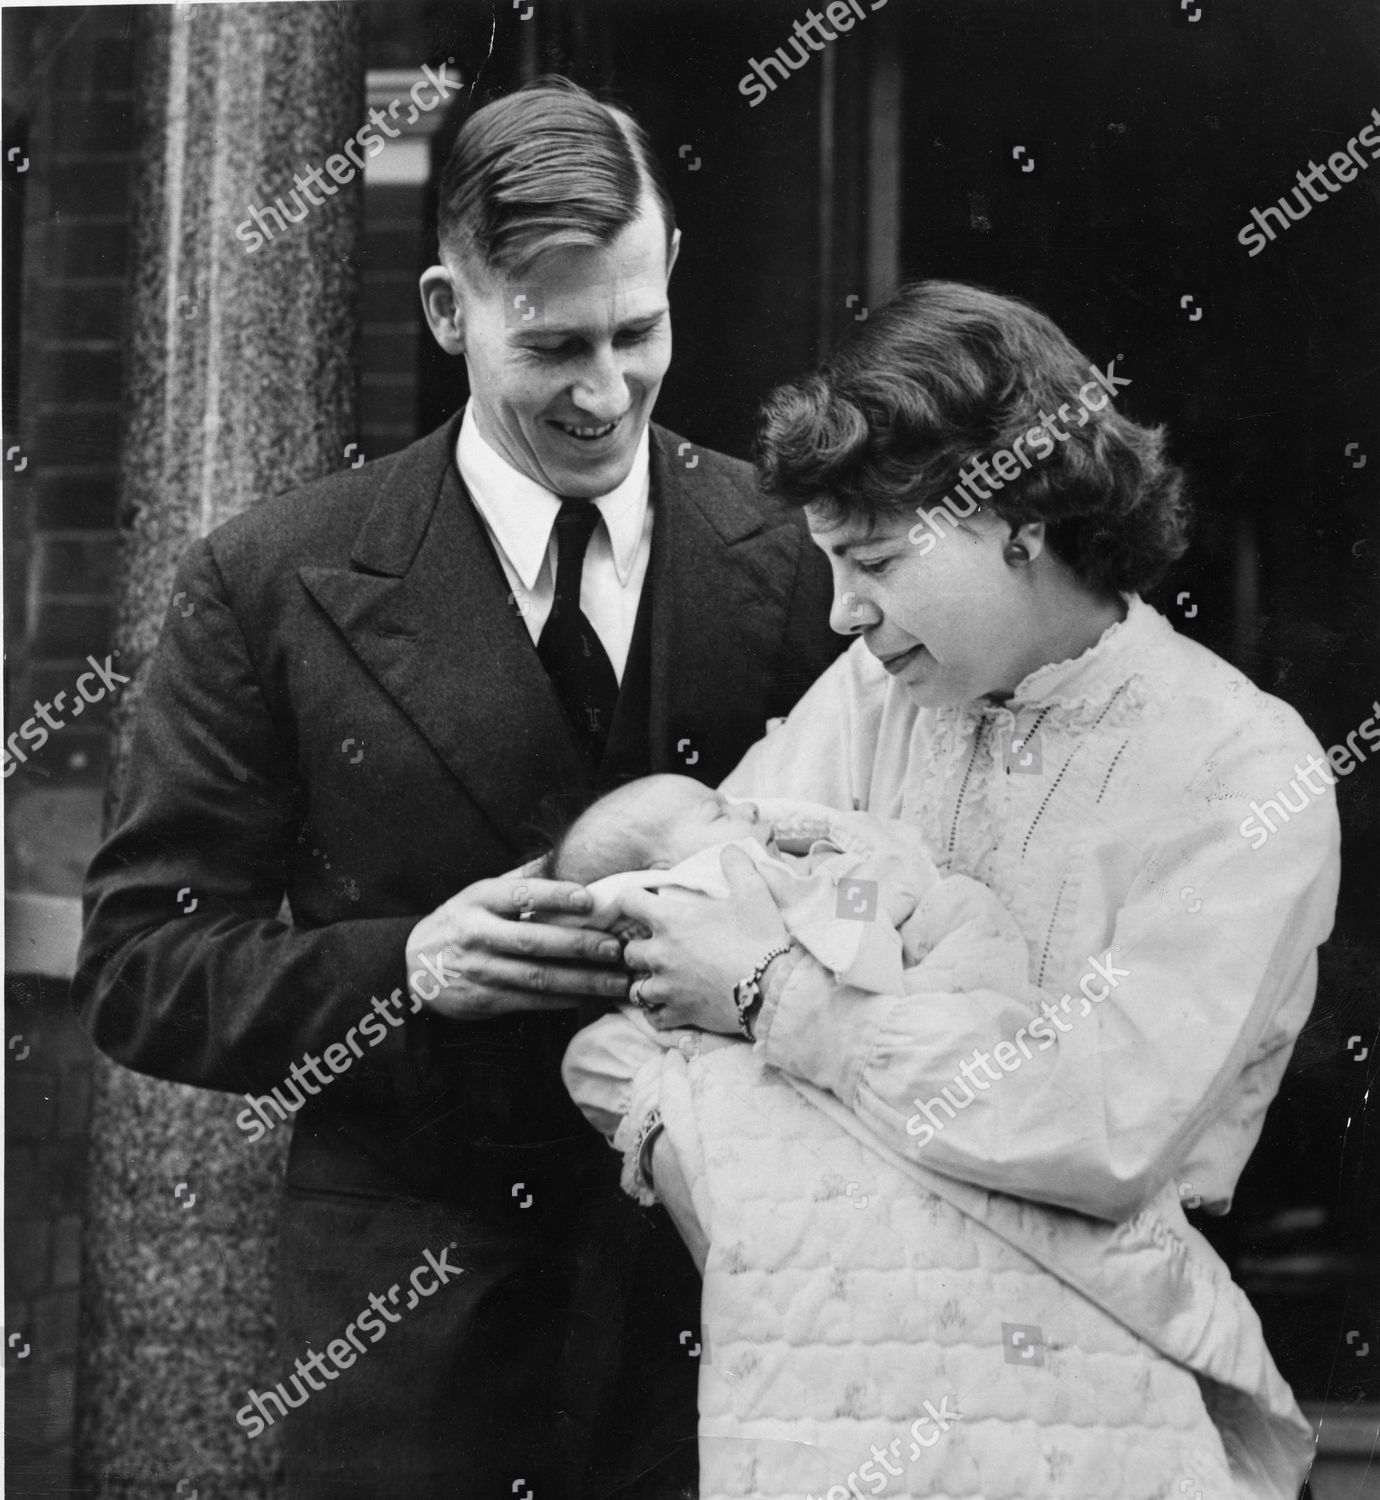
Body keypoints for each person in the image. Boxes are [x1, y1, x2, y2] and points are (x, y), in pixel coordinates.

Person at [72, 77, 839, 1500]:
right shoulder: (271, 579)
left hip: (738, 1311)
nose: (604, 391)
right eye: (551, 346)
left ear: (670, 273)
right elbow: (139, 965)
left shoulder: (800, 559)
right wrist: (403, 972)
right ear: (445, 312)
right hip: (416, 1337)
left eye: (637, 332)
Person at [606, 281, 1338, 1498]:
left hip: (1108, 1392)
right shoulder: (871, 697)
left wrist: (777, 1000)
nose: (846, 613)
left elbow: (1098, 1126)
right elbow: (665, 918)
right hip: (843, 1380)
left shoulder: (1241, 766)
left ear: (1019, 517)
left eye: (878, 560)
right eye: (832, 565)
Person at [552, 774, 1031, 1238]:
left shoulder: (640, 989)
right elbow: (853, 921)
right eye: (720, 813)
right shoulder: (738, 883)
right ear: (668, 874)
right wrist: (878, 867)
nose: (752, 808)